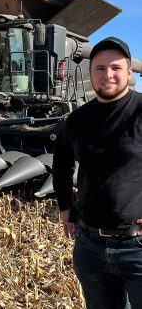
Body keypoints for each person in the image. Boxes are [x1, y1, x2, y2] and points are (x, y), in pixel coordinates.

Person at [52, 36, 142, 309]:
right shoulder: (77, 120)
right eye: (100, 68)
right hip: (90, 247)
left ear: (129, 72)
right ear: (91, 74)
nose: (108, 75)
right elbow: (61, 164)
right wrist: (65, 206)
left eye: (115, 67)